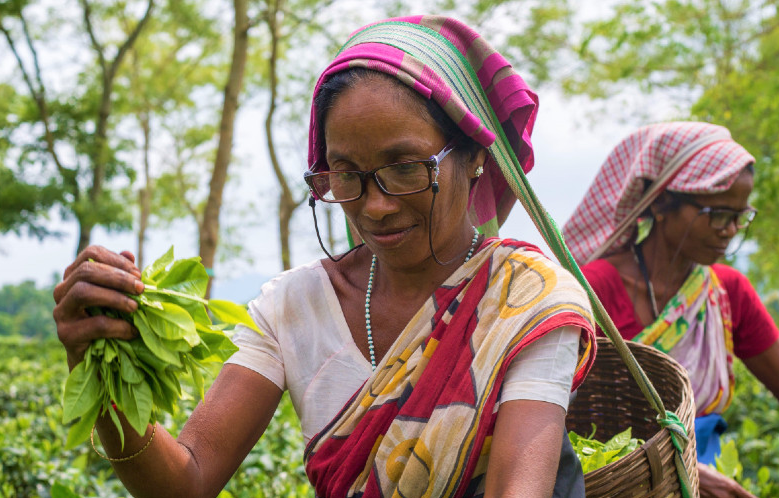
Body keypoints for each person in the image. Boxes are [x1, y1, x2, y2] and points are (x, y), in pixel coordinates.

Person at [53, 15, 596, 498]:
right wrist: (98, 360)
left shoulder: (525, 301)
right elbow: (187, 480)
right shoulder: (296, 305)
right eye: (346, 175)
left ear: (475, 155)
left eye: (406, 167)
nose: (377, 206)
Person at [563, 121, 779, 498]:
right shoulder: (595, 289)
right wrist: (677, 464)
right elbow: (558, 414)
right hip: (618, 480)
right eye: (717, 214)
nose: (729, 230)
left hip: (713, 476)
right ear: (661, 202)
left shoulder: (726, 292)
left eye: (739, 217)